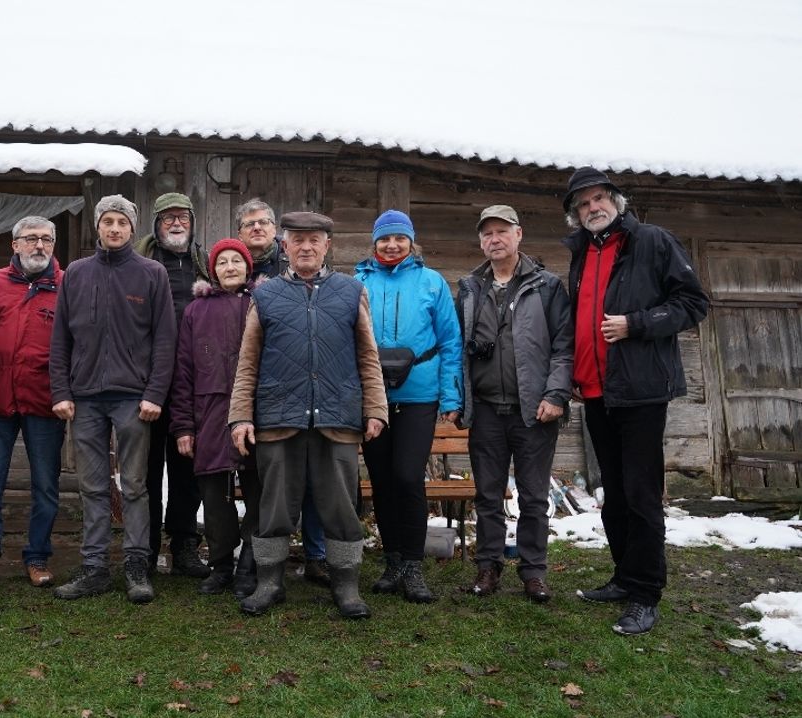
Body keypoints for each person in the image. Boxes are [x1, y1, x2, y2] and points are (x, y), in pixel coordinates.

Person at [562, 168, 708, 635]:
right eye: (583, 204)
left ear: (617, 201)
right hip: (596, 390)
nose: (593, 208)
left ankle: (646, 594)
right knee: (615, 495)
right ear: (575, 214)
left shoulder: (652, 241)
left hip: (641, 390)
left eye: (600, 199)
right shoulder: (582, 253)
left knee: (642, 495)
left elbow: (693, 303)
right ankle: (625, 577)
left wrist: (636, 324)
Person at [229, 211, 388, 619]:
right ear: (285, 245)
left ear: (327, 246)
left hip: (337, 418)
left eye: (314, 240)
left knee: (340, 507)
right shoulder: (264, 297)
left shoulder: (351, 292)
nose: (305, 247)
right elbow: (248, 362)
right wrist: (241, 417)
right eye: (297, 239)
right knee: (274, 507)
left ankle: (347, 585)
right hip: (279, 417)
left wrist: (375, 408)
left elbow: (367, 357)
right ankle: (269, 582)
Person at [50, 195, 176, 604]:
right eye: (108, 221)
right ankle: (94, 567)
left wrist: (155, 393)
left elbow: (164, 341)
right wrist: (62, 391)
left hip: (133, 398)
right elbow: (60, 341)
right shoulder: (76, 275)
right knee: (91, 486)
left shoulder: (151, 274)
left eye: (122, 221)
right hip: (85, 398)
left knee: (136, 485)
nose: (115, 228)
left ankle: (137, 565)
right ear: (98, 227)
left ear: (132, 228)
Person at [456, 205, 573, 603]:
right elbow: (458, 350)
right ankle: (488, 567)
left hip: (533, 410)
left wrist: (556, 394)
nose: (494, 239)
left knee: (534, 496)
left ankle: (534, 571)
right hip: (486, 409)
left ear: (518, 235)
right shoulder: (470, 288)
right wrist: (459, 399)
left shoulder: (546, 286)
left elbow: (563, 345)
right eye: (487, 234)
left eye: (502, 231)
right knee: (487, 495)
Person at [353, 209, 462, 603]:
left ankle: (414, 565)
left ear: (411, 242)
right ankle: (393, 560)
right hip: (373, 396)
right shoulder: (358, 282)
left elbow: (451, 342)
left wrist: (451, 396)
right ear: (374, 242)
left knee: (407, 476)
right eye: (384, 238)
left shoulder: (432, 282)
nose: (392, 245)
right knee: (381, 479)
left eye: (399, 238)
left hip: (419, 394)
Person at [0, 216, 65, 590]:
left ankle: (37, 557)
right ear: (15, 245)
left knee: (46, 486)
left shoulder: (65, 284)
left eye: (46, 239)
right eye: (31, 239)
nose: (39, 245)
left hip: (45, 400)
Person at [235, 198, 329, 586]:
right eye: (249, 224)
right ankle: (259, 566)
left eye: (265, 223)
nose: (257, 229)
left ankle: (319, 556)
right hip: (266, 397)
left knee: (318, 487)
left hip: (318, 401)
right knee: (269, 491)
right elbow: (248, 354)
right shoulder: (233, 268)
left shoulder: (329, 284)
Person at [170, 238, 262, 596]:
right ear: (212, 270)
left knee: (258, 490)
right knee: (215, 495)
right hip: (209, 414)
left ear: (247, 267)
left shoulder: (261, 303)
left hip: (256, 413)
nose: (229, 267)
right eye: (221, 262)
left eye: (236, 261)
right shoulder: (196, 311)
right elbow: (184, 372)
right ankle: (222, 564)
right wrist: (183, 426)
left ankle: (250, 565)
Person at [136, 192, 209, 577]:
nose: (176, 223)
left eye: (183, 217)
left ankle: (184, 546)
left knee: (187, 468)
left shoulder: (206, 265)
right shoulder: (141, 264)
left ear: (193, 223)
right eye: (168, 218)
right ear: (156, 225)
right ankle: (145, 549)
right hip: (148, 381)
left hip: (193, 383)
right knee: (146, 470)